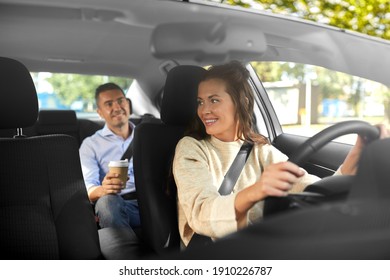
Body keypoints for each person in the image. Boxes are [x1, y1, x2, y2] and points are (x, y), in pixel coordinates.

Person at [172, 60, 389, 248]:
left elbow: (313, 190)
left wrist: (357, 154)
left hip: (261, 244)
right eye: (200, 102)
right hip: (215, 254)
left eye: (214, 100)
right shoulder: (191, 148)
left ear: (242, 103)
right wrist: (255, 191)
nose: (204, 110)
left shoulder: (260, 149)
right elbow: (200, 213)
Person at [79, 82, 140, 231]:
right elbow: (88, 190)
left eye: (120, 101)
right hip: (120, 204)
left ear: (128, 104)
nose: (117, 107)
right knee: (106, 203)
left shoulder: (146, 134)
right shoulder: (91, 144)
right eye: (109, 104)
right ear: (99, 112)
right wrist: (104, 190)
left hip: (152, 200)